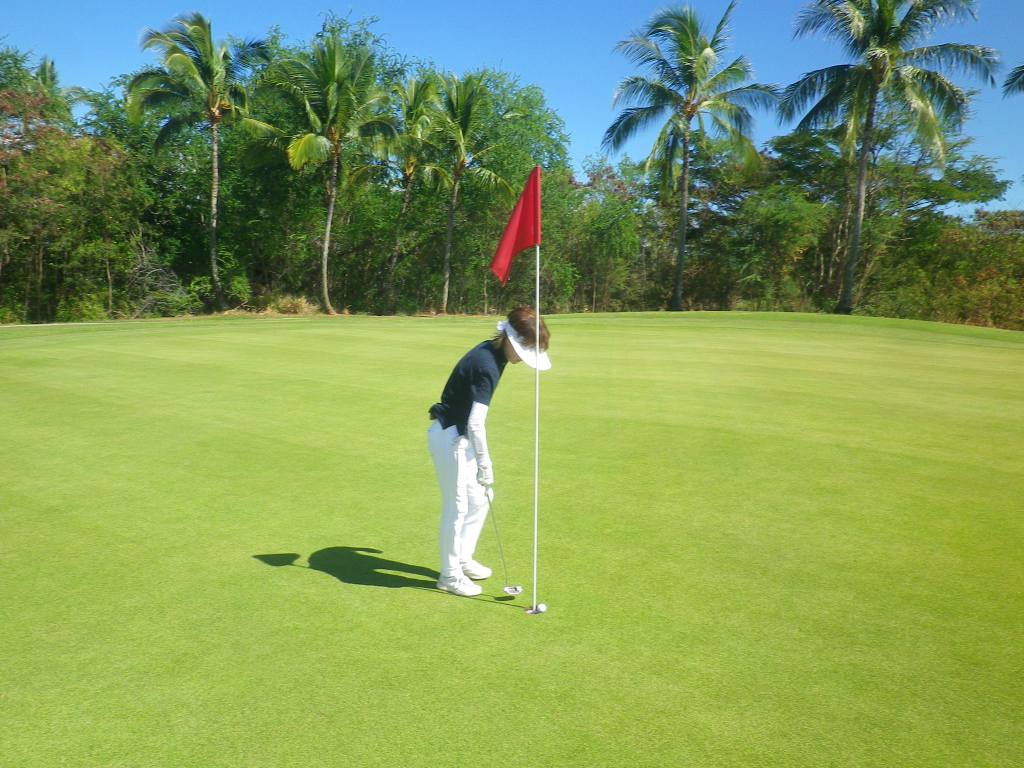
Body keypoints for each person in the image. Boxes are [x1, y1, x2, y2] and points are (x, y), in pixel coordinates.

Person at [427, 307, 551, 596]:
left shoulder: (494, 352)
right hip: (450, 437)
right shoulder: (487, 365)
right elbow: (475, 423)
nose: (523, 358)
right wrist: (485, 463)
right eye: (524, 350)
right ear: (511, 339)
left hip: (459, 437)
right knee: (457, 508)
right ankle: (450, 576)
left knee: (482, 498)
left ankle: (462, 559)